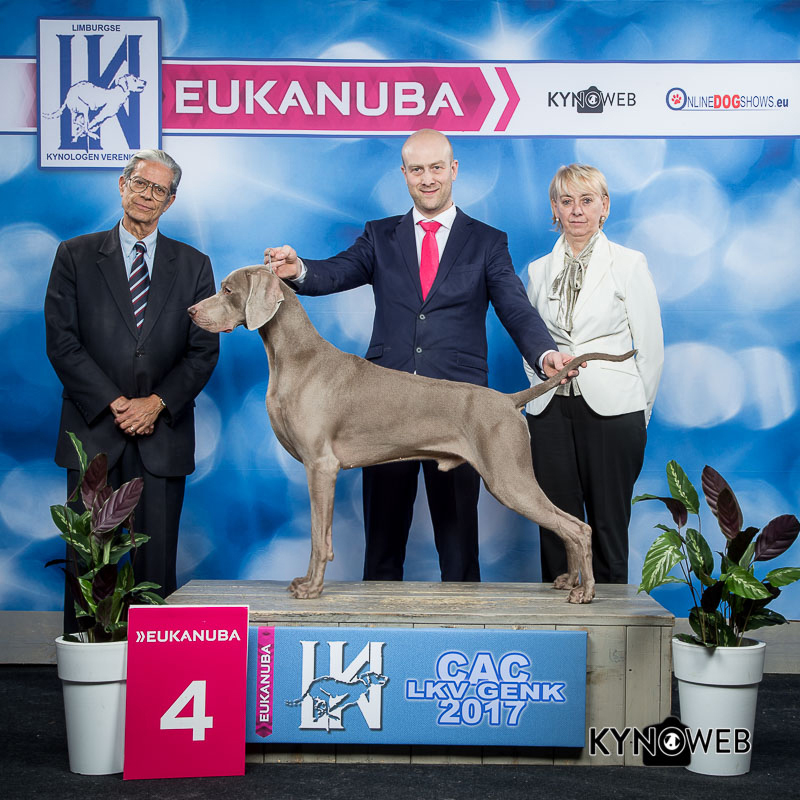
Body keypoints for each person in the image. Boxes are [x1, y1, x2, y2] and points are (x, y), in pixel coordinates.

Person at [264, 129, 574, 584]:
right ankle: (379, 622)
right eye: (416, 170)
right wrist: (299, 269)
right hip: (381, 407)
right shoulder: (379, 235)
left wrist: (545, 352)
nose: (427, 179)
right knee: (382, 545)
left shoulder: (487, 241)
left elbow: (514, 306)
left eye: (436, 168)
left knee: (459, 546)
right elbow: (336, 272)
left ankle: (463, 620)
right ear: (404, 174)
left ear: (453, 170)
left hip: (457, 409)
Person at [45, 148, 219, 632]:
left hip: (161, 437)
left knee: (155, 570)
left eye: (159, 189)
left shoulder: (195, 265)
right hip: (94, 432)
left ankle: (152, 669)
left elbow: (203, 351)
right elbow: (62, 342)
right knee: (88, 567)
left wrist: (156, 404)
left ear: (170, 201)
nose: (147, 195)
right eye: (140, 183)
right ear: (122, 186)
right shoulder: (75, 255)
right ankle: (88, 667)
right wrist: (116, 403)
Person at [524, 163, 663, 584]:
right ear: (555, 208)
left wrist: (638, 413)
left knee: (608, 526)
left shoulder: (629, 263)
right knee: (555, 524)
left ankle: (611, 617)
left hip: (614, 411)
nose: (577, 210)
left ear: (605, 206)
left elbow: (650, 349)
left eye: (587, 200)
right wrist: (540, 389)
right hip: (550, 411)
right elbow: (530, 339)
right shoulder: (537, 270)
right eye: (566, 201)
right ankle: (558, 616)